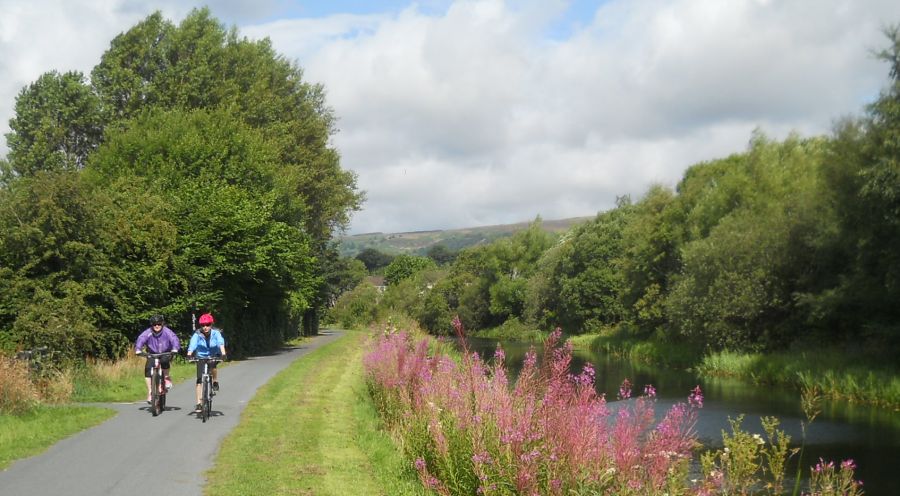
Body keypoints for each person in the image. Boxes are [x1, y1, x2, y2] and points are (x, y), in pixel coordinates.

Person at [134, 314, 180, 403]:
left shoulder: (167, 332)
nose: (157, 326)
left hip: (165, 352)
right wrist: (138, 349)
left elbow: (174, 339)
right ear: (152, 325)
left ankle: (166, 378)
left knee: (164, 361)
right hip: (152, 353)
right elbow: (141, 339)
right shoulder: (148, 332)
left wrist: (175, 348)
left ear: (162, 324)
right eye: (154, 324)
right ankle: (150, 392)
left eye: (159, 324)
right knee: (148, 368)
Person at [186, 313, 226, 413]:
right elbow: (193, 344)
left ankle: (215, 381)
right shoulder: (197, 334)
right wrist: (189, 354)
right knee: (199, 379)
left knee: (213, 366)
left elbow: (220, 343)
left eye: (207, 325)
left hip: (213, 354)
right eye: (203, 325)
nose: (205, 327)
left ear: (211, 325)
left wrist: (223, 353)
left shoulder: (216, 333)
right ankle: (199, 403)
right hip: (201, 356)